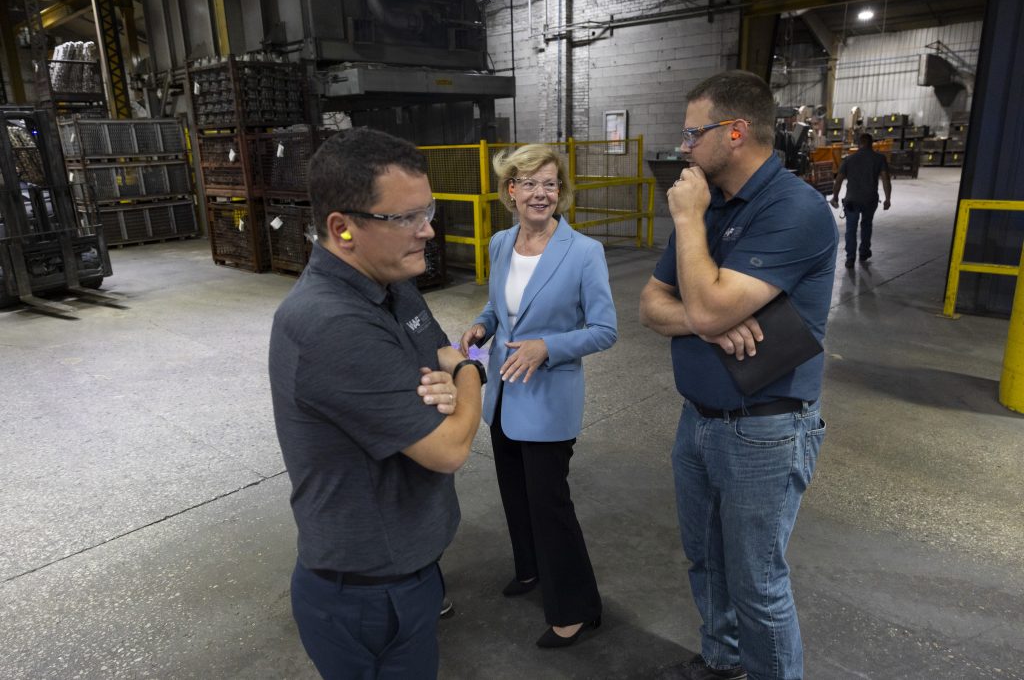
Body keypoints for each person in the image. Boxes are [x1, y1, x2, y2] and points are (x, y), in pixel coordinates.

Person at [639, 70, 837, 680]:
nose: (683, 147)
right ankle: (725, 664)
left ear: (735, 131)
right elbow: (652, 304)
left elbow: (699, 305)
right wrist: (709, 320)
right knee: (706, 561)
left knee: (756, 582)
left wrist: (691, 226)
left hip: (764, 429)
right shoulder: (712, 203)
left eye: (693, 133)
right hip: (698, 419)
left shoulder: (795, 209)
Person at [268, 127, 485, 680]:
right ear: (342, 228)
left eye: (427, 210)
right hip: (367, 595)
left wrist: (449, 371)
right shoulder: (332, 323)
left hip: (409, 572)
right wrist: (471, 373)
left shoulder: (392, 281)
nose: (429, 231)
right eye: (406, 218)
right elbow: (448, 447)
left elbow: (436, 347)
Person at [458, 144, 616, 649]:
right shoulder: (502, 243)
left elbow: (604, 329)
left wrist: (549, 346)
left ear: (561, 192)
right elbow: (498, 306)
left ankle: (577, 608)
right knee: (514, 493)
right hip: (504, 396)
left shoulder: (583, 252)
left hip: (548, 400)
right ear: (511, 191)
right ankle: (530, 569)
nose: (540, 193)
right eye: (528, 182)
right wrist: (482, 327)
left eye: (549, 183)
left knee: (550, 505)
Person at [830, 132, 892, 268]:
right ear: (871, 143)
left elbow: (838, 180)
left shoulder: (849, 159)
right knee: (866, 225)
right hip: (870, 199)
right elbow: (886, 179)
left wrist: (835, 197)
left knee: (851, 229)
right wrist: (887, 199)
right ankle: (864, 252)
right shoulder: (879, 158)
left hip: (852, 200)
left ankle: (850, 258)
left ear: (859, 144)